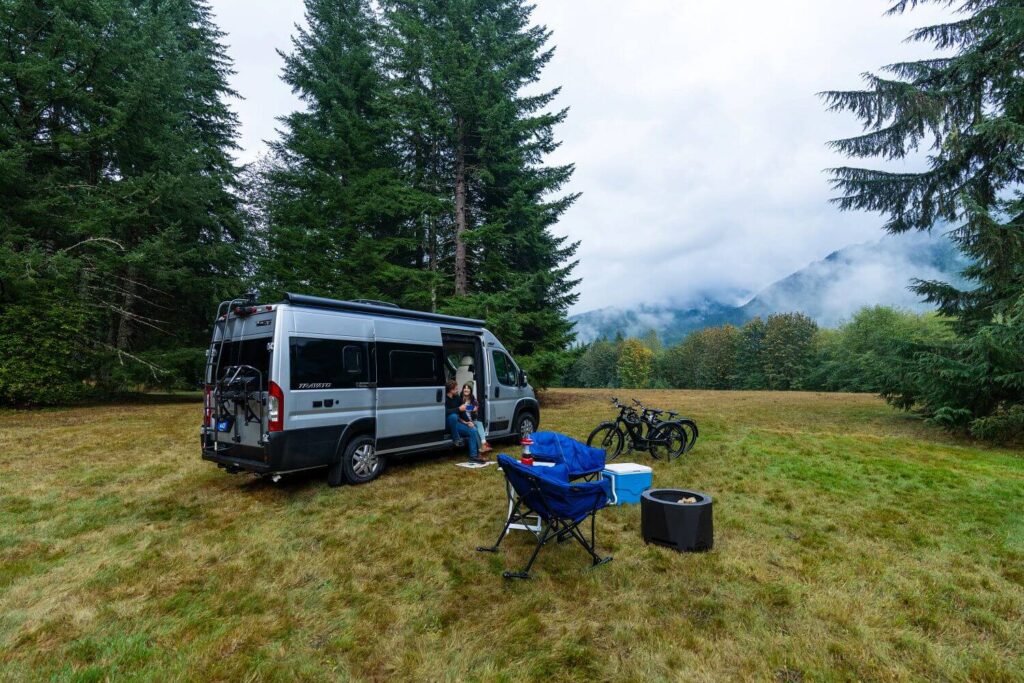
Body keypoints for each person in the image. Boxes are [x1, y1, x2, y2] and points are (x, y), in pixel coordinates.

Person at [445, 380, 484, 462]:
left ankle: (474, 456)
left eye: (468, 388)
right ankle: (456, 439)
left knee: (473, 430)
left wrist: (468, 421)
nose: (457, 390)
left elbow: (463, 412)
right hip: (448, 424)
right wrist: (458, 409)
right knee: (453, 416)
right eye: (456, 389)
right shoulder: (445, 399)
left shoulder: (465, 399)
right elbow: (444, 411)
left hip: (460, 423)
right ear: (451, 390)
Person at [460, 383, 490, 453]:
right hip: (463, 421)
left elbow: (475, 408)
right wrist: (468, 407)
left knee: (479, 423)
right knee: (475, 429)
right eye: (465, 388)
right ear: (463, 389)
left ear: (470, 390)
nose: (466, 389)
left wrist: (465, 407)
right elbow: (459, 410)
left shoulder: (473, 400)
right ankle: (481, 447)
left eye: (468, 388)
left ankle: (483, 443)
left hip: (472, 420)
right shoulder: (460, 399)